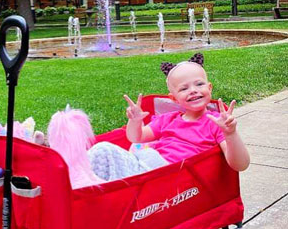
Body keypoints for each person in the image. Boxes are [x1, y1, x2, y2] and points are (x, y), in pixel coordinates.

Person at [88, 53, 249, 182]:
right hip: (148, 167)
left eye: (199, 84)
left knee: (104, 150)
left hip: (169, 178)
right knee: (104, 153)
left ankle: (86, 188)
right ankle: (85, 187)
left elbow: (240, 165)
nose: (193, 90)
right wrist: (135, 121)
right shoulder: (168, 119)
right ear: (173, 98)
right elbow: (136, 137)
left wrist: (230, 133)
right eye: (184, 88)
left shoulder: (215, 123)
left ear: (209, 87)